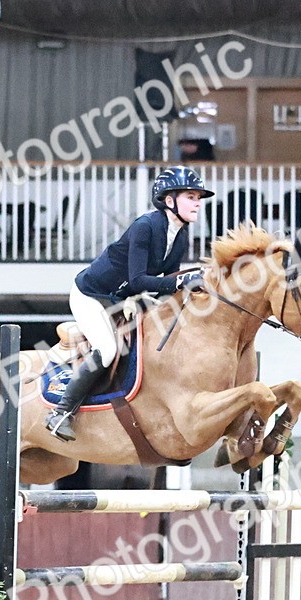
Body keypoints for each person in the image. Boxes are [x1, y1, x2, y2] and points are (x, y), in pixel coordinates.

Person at [45, 166, 214, 442]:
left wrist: (192, 282)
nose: (197, 202)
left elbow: (166, 279)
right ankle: (61, 413)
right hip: (92, 294)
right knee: (109, 349)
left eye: (198, 197)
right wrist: (180, 282)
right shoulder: (145, 227)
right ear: (169, 200)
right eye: (190, 196)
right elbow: (138, 280)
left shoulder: (180, 235)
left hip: (121, 299)